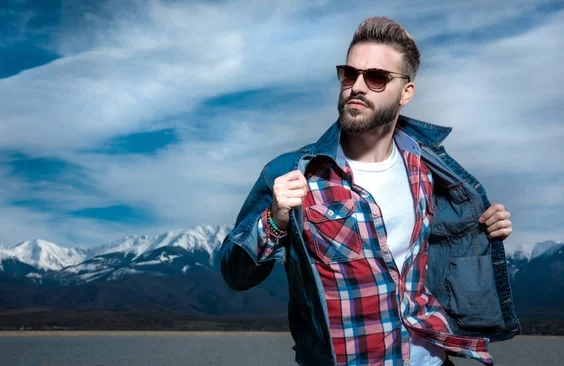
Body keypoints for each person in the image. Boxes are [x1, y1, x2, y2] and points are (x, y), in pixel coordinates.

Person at [219, 16, 519, 366]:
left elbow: (444, 245)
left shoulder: (427, 169)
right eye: (350, 73)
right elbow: (234, 275)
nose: (357, 86)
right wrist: (275, 219)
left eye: (376, 77)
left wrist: (486, 229)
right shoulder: (291, 173)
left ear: (406, 92)